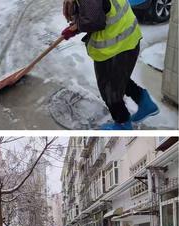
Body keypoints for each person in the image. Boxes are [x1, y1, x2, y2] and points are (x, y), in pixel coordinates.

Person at [61, 0, 158, 130]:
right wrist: (76, 26)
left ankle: (123, 123)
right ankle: (145, 103)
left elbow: (93, 21)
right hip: (127, 38)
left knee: (109, 88)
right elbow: (100, 10)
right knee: (118, 79)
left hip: (114, 47)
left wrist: (77, 26)